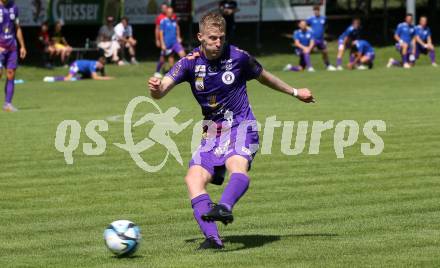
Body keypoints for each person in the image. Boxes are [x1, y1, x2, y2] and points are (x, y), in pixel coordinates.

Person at [147, 12, 314, 250]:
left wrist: (296, 92)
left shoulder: (238, 57)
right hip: (212, 133)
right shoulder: (189, 63)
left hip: (242, 126)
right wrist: (155, 88)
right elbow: (161, 90)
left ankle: (224, 206)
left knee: (236, 164)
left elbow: (265, 77)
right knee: (193, 179)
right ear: (200, 37)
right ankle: (213, 240)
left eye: (221, 38)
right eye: (212, 38)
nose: (217, 43)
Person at [1, 0, 26, 112]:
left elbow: (18, 28)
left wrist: (22, 46)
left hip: (12, 48)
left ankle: (8, 104)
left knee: (11, 74)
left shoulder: (14, 7)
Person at [155, 6, 185, 78]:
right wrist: (162, 43)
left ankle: (183, 72)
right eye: (169, 12)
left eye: (171, 12)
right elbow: (161, 33)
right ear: (166, 13)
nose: (170, 13)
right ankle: (157, 71)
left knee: (183, 55)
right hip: (166, 43)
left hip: (175, 43)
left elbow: (177, 28)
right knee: (162, 59)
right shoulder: (163, 21)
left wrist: (178, 37)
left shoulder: (174, 21)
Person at [306, 5, 335, 71]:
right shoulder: (310, 19)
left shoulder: (323, 18)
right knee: (308, 51)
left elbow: (326, 26)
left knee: (325, 52)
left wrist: (324, 33)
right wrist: (309, 29)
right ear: (313, 11)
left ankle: (328, 65)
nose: (316, 11)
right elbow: (305, 25)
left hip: (321, 39)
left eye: (317, 10)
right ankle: (309, 67)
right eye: (315, 10)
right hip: (313, 39)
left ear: (319, 11)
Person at [43, 57, 114, 82]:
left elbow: (103, 75)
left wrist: (106, 77)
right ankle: (50, 79)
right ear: (99, 63)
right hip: (76, 65)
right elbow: (95, 77)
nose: (102, 67)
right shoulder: (93, 65)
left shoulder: (100, 67)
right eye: (102, 65)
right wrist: (109, 78)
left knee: (86, 78)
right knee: (68, 78)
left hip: (83, 70)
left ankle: (75, 78)